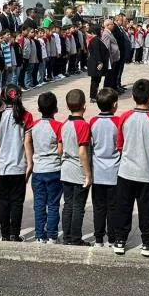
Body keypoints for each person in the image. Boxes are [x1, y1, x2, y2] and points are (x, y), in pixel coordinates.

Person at [113, 78, 149, 256]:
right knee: (147, 209)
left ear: (133, 96)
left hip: (126, 171)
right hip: (147, 173)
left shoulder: (124, 117)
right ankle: (148, 242)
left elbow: (119, 143)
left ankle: (120, 240)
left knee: (123, 207)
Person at [0, 85, 33, 242]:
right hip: (18, 165)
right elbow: (27, 141)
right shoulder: (25, 116)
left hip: (3, 165)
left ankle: (5, 234)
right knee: (17, 202)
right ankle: (15, 234)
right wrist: (30, 162)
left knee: (4, 200)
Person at [59, 89, 93, 246]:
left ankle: (66, 237)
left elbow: (60, 149)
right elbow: (83, 152)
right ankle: (75, 238)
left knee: (68, 205)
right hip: (78, 170)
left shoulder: (64, 124)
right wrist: (88, 174)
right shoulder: (83, 126)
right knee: (78, 206)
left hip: (65, 169)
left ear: (67, 106)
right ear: (84, 106)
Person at [29, 91, 62, 243]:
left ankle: (39, 235)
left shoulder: (33, 126)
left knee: (39, 204)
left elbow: (28, 143)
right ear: (56, 109)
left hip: (38, 170)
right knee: (53, 204)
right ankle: (52, 235)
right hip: (54, 169)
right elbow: (61, 149)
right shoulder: (58, 126)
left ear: (38, 109)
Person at [90, 88, 121, 248]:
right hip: (114, 171)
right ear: (114, 105)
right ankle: (112, 239)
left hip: (97, 171)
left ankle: (98, 239)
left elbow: (90, 146)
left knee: (99, 208)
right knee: (113, 207)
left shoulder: (93, 122)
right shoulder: (118, 122)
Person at [87, 23, 110, 101]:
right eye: (100, 29)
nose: (102, 31)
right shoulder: (96, 40)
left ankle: (94, 95)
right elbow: (97, 52)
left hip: (95, 63)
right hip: (95, 64)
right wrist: (100, 62)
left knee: (97, 80)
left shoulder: (96, 39)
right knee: (95, 80)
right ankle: (93, 96)